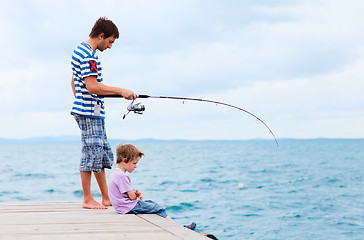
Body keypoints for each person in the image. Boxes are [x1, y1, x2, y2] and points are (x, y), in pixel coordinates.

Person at [70, 17, 136, 209]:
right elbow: (92, 86)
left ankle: (106, 197)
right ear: (101, 36)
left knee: (98, 154)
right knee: (90, 155)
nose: (109, 47)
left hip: (90, 111)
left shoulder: (79, 50)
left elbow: (76, 83)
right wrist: (121, 91)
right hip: (89, 113)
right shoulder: (89, 55)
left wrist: (83, 99)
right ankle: (88, 199)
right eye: (110, 42)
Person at [108, 144, 196, 229]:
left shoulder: (115, 174)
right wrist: (136, 195)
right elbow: (132, 197)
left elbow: (123, 193)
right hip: (127, 207)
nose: (136, 166)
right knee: (157, 208)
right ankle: (178, 228)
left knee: (150, 202)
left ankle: (173, 226)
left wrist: (133, 194)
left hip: (121, 207)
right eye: (134, 163)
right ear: (124, 161)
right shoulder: (122, 176)